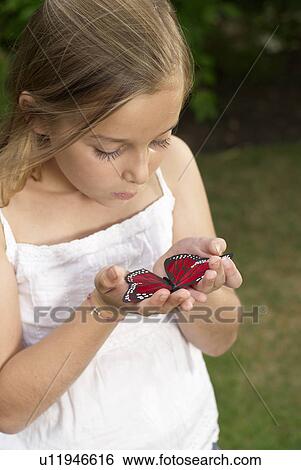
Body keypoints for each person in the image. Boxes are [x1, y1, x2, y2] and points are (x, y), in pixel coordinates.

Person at [0, 0, 243, 450]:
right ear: (38, 116)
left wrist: (197, 290)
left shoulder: (175, 167)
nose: (140, 171)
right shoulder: (7, 217)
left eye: (159, 138)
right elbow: (8, 411)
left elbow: (219, 340)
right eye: (110, 149)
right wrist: (106, 309)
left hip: (189, 443)